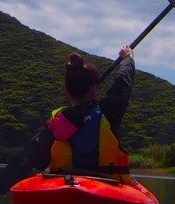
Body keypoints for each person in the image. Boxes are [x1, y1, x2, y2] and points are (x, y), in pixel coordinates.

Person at [28, 46, 136, 183]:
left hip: (64, 186)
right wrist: (128, 58)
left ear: (66, 89)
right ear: (94, 89)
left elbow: (37, 161)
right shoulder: (109, 111)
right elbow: (122, 82)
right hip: (107, 185)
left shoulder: (56, 122)